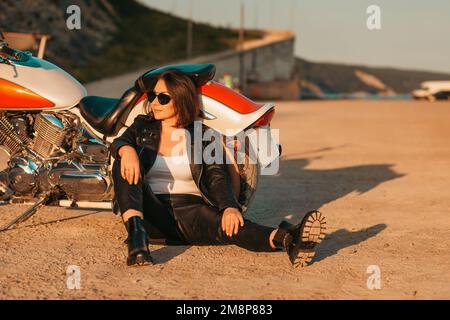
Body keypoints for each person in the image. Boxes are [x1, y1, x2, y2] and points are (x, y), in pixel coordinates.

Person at [110, 70, 326, 268]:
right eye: (152, 96)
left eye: (163, 98)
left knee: (234, 226)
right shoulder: (142, 125)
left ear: (181, 99)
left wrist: (229, 207)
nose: (155, 103)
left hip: (192, 212)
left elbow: (216, 175)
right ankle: (136, 239)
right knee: (123, 161)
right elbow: (118, 142)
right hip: (150, 213)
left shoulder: (201, 134)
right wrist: (126, 150)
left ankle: (289, 239)